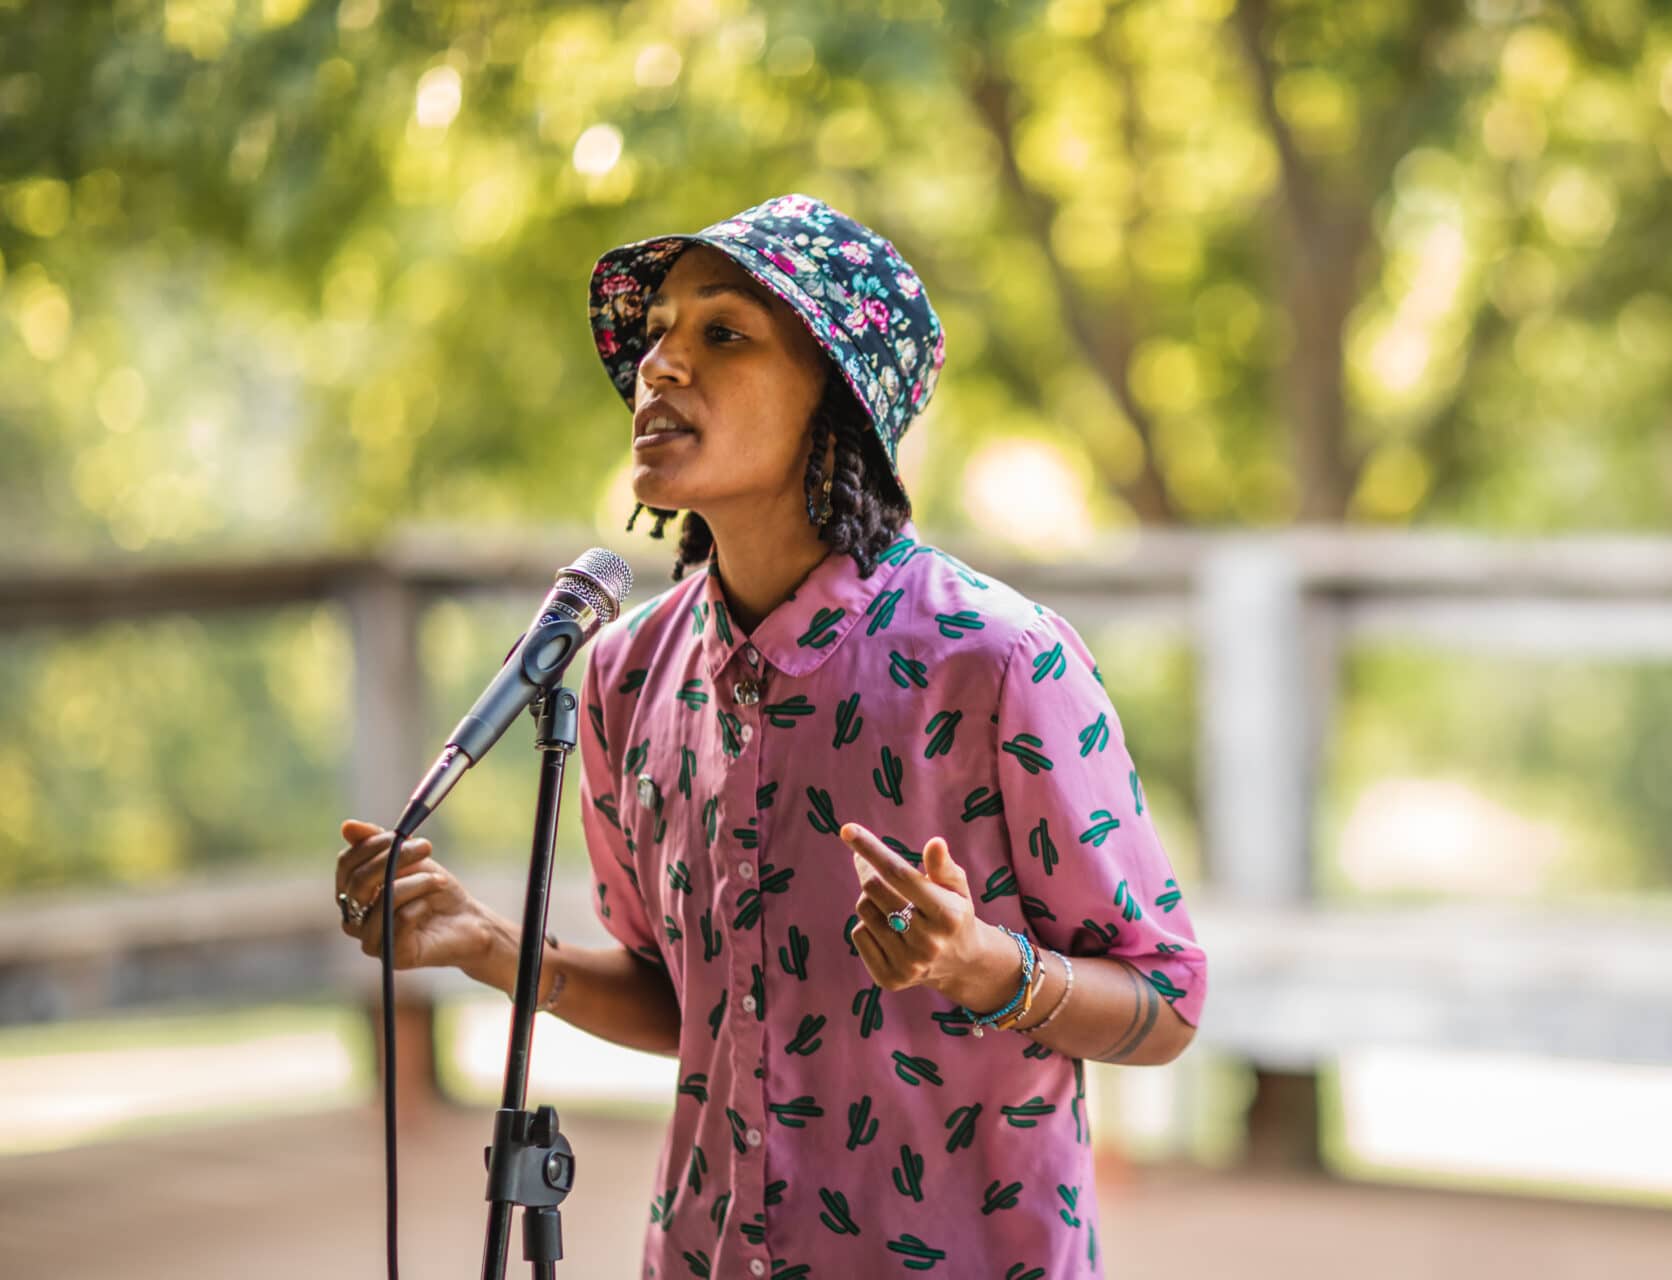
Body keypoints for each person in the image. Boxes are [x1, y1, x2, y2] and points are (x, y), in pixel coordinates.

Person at [334, 193, 1208, 1279]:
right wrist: (489, 947)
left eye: (723, 332)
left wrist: (983, 966)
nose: (660, 365)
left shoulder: (998, 661)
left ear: (835, 398)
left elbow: (1167, 1001)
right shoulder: (622, 673)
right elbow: (689, 1002)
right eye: (655, 333)